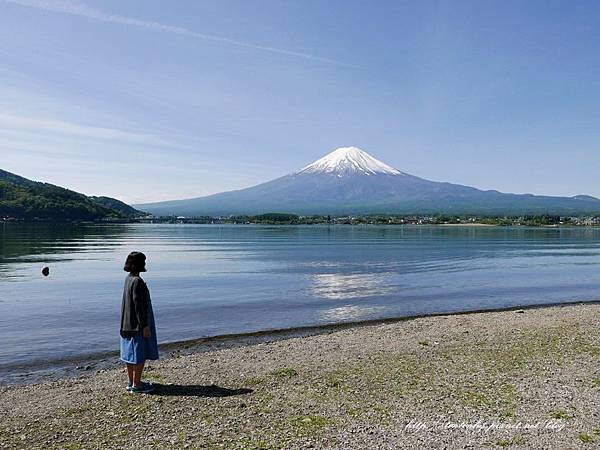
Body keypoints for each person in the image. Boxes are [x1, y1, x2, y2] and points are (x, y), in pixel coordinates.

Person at [120, 251, 159, 393]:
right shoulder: (137, 281)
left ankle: (132, 382)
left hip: (126, 323)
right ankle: (137, 385)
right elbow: (138, 305)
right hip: (137, 324)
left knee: (130, 355)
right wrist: (145, 326)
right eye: (144, 262)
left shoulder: (128, 279)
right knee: (139, 354)